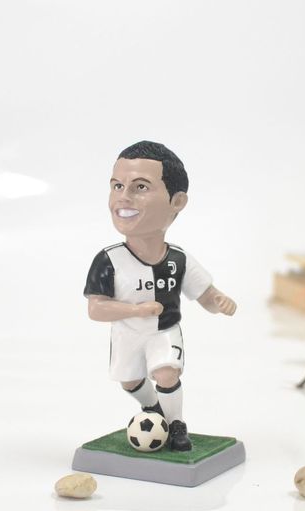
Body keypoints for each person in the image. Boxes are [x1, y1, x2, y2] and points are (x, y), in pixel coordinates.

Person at [84, 140, 236, 451]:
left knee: (167, 373)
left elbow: (205, 296)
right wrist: (136, 311)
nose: (124, 196)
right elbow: (96, 309)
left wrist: (219, 301)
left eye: (140, 187)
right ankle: (154, 410)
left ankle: (176, 424)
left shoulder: (178, 259)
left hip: (164, 331)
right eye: (117, 186)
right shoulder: (109, 260)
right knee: (129, 382)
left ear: (176, 201)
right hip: (127, 334)